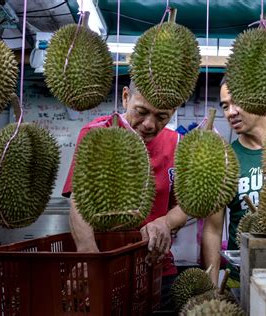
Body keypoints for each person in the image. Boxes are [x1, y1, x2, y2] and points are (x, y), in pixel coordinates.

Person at [62, 81, 188, 308]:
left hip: (157, 269)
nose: (149, 124)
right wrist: (88, 253)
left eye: (161, 117)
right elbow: (78, 201)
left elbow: (186, 206)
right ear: (125, 97)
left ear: (174, 111)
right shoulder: (95, 135)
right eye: (141, 112)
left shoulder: (176, 144)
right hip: (104, 263)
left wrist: (166, 222)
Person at [202, 78, 266, 287]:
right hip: (238, 277)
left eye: (237, 101)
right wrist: (213, 287)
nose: (231, 112)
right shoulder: (225, 159)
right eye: (225, 106)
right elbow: (213, 229)